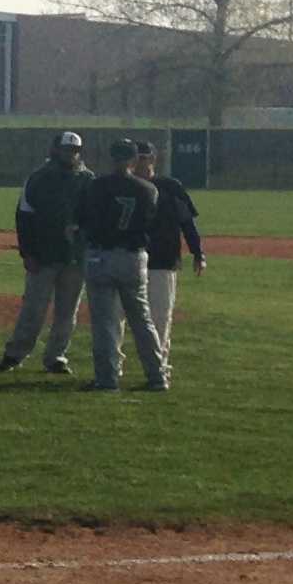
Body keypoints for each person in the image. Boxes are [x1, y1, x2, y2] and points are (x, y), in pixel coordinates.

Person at [71, 136, 168, 392]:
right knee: (142, 320)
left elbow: (79, 223)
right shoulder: (149, 190)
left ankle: (107, 379)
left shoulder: (95, 186)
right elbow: (153, 225)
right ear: (134, 159)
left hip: (100, 256)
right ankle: (157, 377)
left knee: (104, 323)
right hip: (133, 257)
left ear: (110, 158)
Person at [0, 131, 93, 372]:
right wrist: (27, 253)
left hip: (75, 256)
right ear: (55, 150)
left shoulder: (88, 179)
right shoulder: (39, 178)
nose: (70, 154)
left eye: (75, 150)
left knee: (67, 312)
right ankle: (15, 353)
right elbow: (24, 216)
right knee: (33, 309)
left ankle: (56, 357)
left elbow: (95, 216)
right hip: (44, 254)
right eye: (66, 149)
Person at [145, 142, 206, 352]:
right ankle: (114, 370)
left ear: (153, 160)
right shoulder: (122, 187)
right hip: (130, 260)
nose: (141, 163)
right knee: (119, 316)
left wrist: (197, 252)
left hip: (163, 259)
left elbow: (187, 222)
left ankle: (160, 366)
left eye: (146, 158)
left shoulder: (171, 187)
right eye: (138, 158)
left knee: (161, 316)